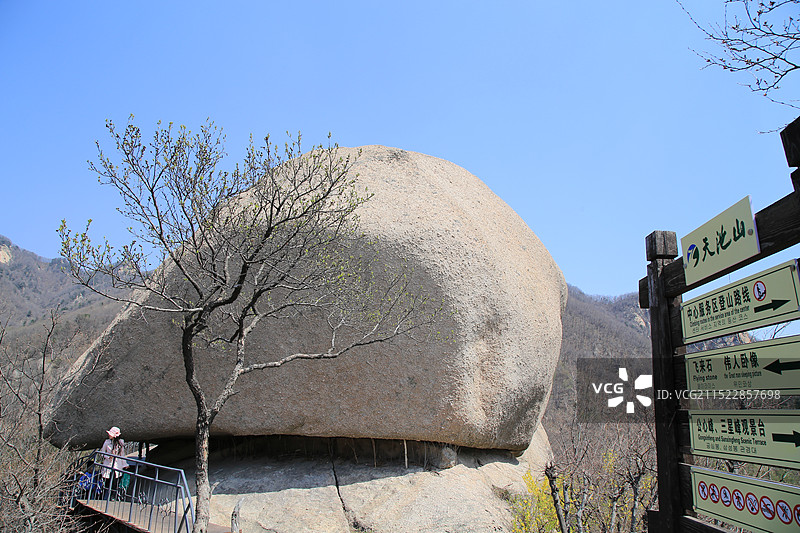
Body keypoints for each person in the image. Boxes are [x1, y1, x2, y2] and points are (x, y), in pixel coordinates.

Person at [99, 426, 129, 497]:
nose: (109, 435)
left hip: (117, 465)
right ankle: (103, 496)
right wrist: (108, 457)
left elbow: (122, 454)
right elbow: (102, 452)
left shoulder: (120, 442)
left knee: (115, 482)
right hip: (108, 464)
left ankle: (112, 496)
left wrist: (125, 464)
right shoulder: (107, 442)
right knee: (107, 481)